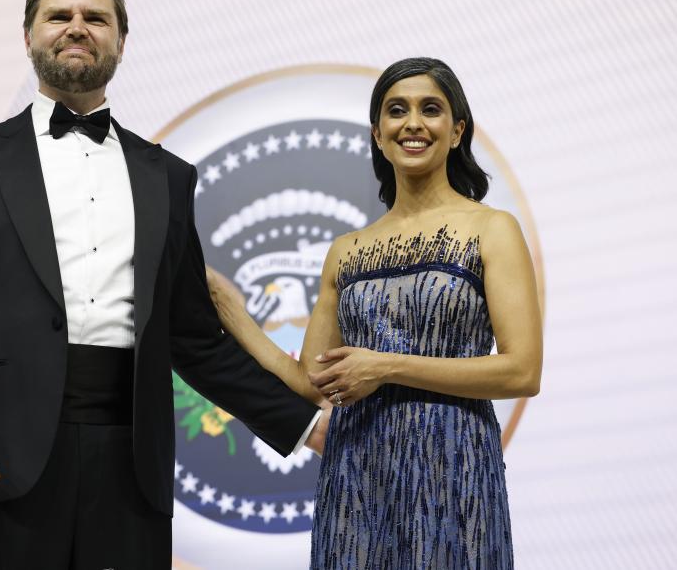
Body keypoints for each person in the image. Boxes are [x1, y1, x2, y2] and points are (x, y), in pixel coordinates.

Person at [0, 0, 327, 570]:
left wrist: (308, 425)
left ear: (120, 41)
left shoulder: (168, 177)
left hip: (132, 467)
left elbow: (194, 338)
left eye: (95, 18)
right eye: (59, 16)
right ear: (28, 37)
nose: (77, 27)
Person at [207, 57, 542, 569]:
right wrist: (229, 306)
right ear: (378, 135)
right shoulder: (345, 250)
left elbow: (522, 370)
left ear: (456, 132)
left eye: (430, 109)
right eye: (396, 111)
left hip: (454, 468)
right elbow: (311, 381)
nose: (412, 123)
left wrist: (385, 367)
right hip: (357, 474)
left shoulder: (492, 229)